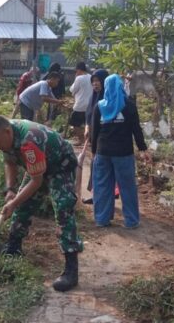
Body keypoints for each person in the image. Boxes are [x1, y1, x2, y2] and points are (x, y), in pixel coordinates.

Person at [0, 114, 83, 292]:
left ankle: (71, 270)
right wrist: (10, 189)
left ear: (6, 132)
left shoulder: (29, 141)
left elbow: (36, 182)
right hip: (37, 165)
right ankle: (13, 247)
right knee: (23, 203)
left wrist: (12, 203)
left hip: (60, 164)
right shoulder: (6, 134)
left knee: (63, 209)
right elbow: (9, 161)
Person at [91, 74, 150, 228]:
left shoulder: (99, 106)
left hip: (103, 152)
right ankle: (131, 221)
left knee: (103, 186)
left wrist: (93, 152)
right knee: (127, 187)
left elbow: (94, 132)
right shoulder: (129, 106)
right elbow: (136, 130)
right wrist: (143, 149)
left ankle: (102, 219)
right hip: (123, 153)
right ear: (119, 86)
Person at [82, 69, 109, 204]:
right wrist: (87, 127)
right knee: (96, 165)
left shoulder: (107, 99)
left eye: (98, 81)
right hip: (94, 137)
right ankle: (96, 194)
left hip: (104, 139)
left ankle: (100, 195)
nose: (95, 84)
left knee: (99, 166)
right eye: (93, 82)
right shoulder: (93, 97)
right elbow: (89, 115)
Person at [68, 62, 92, 145]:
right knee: (88, 124)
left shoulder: (79, 78)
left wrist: (76, 78)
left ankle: (81, 140)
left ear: (78, 70)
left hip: (80, 105)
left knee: (75, 124)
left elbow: (72, 90)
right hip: (90, 105)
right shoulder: (91, 77)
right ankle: (88, 140)